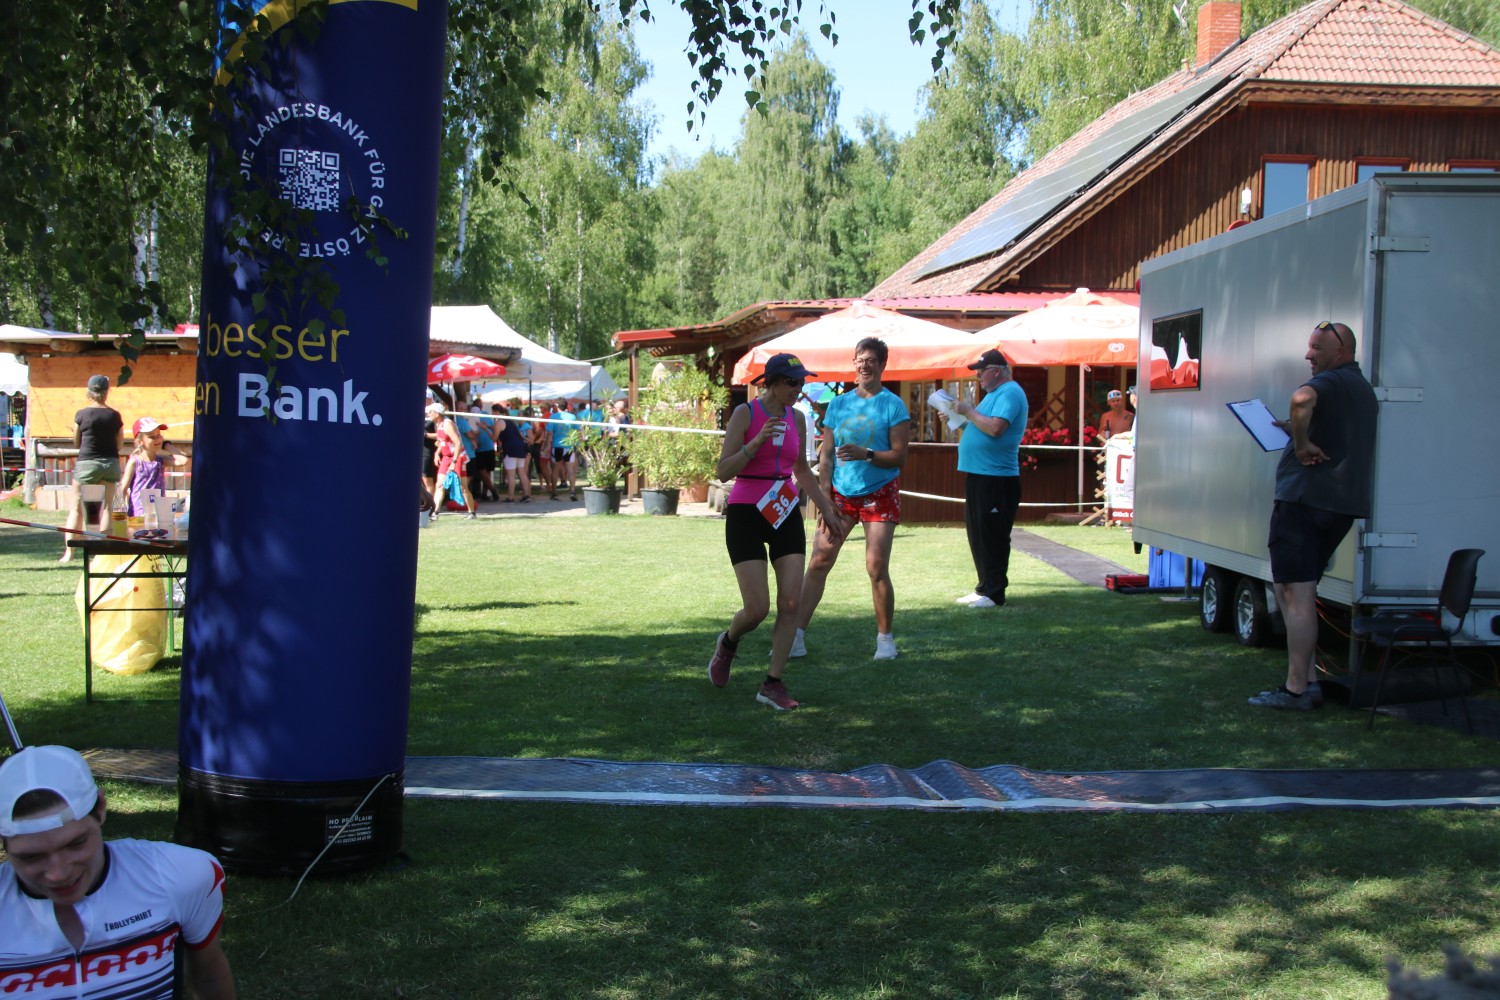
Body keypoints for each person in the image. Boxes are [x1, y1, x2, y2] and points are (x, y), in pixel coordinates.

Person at [0, 745, 236, 998]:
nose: (58, 874)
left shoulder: (182, 874)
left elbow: (209, 977)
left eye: (75, 844)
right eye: (31, 857)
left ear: (101, 808)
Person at [1250, 320, 1377, 710]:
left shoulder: (1331, 381)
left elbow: (1302, 398)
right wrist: (1297, 431)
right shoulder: (1360, 388)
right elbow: (1330, 428)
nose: (1308, 355)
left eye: (1317, 348)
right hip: (1337, 505)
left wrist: (1302, 443)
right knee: (1294, 591)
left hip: (1305, 502)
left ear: (1341, 351)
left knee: (1295, 592)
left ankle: (1296, 691)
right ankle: (1309, 683)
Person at [707, 354, 844, 710]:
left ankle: (772, 683)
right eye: (792, 382)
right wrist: (755, 444)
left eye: (802, 383)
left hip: (784, 509)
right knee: (757, 609)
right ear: (773, 382)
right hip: (746, 511)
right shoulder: (745, 414)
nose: (799, 389)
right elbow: (723, 471)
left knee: (791, 602)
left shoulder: (797, 418)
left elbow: (802, 470)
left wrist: (826, 508)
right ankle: (728, 642)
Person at [793, 337, 911, 661]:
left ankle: (885, 640)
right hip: (841, 495)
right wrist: (825, 497)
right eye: (860, 359)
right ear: (854, 363)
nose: (865, 365)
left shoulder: (893, 405)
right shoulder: (838, 405)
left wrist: (866, 454)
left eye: (871, 360)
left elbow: (900, 457)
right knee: (819, 560)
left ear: (882, 365)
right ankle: (795, 637)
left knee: (876, 567)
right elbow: (826, 455)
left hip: (880, 492)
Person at [951, 349, 1028, 608]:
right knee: (979, 534)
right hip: (980, 474)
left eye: (981, 372)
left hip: (997, 477)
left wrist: (969, 411)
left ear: (996, 371)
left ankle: (995, 593)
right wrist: (959, 420)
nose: (979, 377)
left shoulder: (1010, 393)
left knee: (993, 535)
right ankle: (984, 587)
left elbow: (996, 428)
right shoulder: (994, 395)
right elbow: (980, 427)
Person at [60, 374, 124, 562]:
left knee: (77, 508)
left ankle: (69, 553)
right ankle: (101, 554)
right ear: (107, 391)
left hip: (87, 463)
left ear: (89, 391)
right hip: (110, 464)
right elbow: (120, 444)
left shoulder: (81, 414)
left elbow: (76, 442)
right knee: (107, 508)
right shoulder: (114, 415)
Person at [120, 417, 189, 517]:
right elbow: (123, 488)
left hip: (158, 512)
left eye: (159, 435)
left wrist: (167, 445)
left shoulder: (161, 461)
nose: (157, 439)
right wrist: (120, 513)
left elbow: (183, 460)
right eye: (152, 437)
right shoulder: (135, 462)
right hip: (139, 514)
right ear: (140, 442)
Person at [492, 403, 532, 503]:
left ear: (496, 412)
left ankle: (510, 497)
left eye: (493, 412)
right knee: (521, 472)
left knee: (511, 474)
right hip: (520, 447)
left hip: (510, 449)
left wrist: (486, 430)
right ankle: (526, 495)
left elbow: (494, 438)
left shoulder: (499, 422)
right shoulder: (510, 421)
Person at [551, 401, 578, 501]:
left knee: (555, 469)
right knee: (571, 470)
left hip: (557, 446)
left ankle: (554, 493)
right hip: (569, 446)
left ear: (557, 406)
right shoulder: (572, 417)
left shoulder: (553, 417)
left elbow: (549, 433)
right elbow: (577, 430)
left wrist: (546, 446)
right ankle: (572, 491)